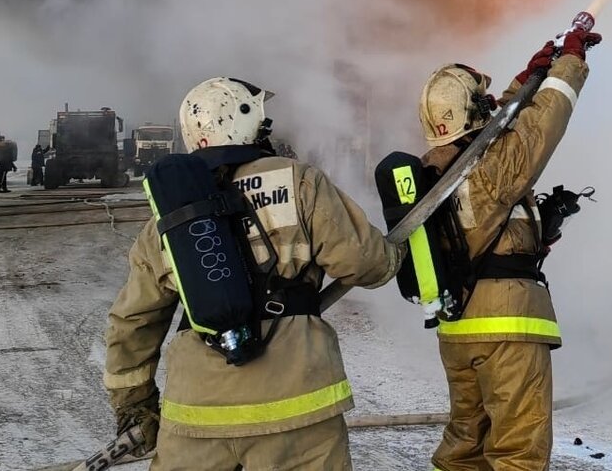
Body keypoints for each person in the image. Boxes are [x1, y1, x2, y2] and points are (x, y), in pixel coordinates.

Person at [103, 77, 404, 470]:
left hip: (196, 418)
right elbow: (365, 264)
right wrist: (394, 253)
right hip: (296, 412)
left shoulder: (166, 219)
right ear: (247, 121)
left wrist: (135, 407)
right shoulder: (298, 181)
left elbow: (131, 322)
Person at [420, 26, 599, 471]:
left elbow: (498, 124)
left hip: (458, 328)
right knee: (518, 451)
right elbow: (542, 123)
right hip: (507, 328)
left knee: (465, 447)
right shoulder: (490, 170)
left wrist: (526, 79)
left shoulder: (437, 171)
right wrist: (568, 64)